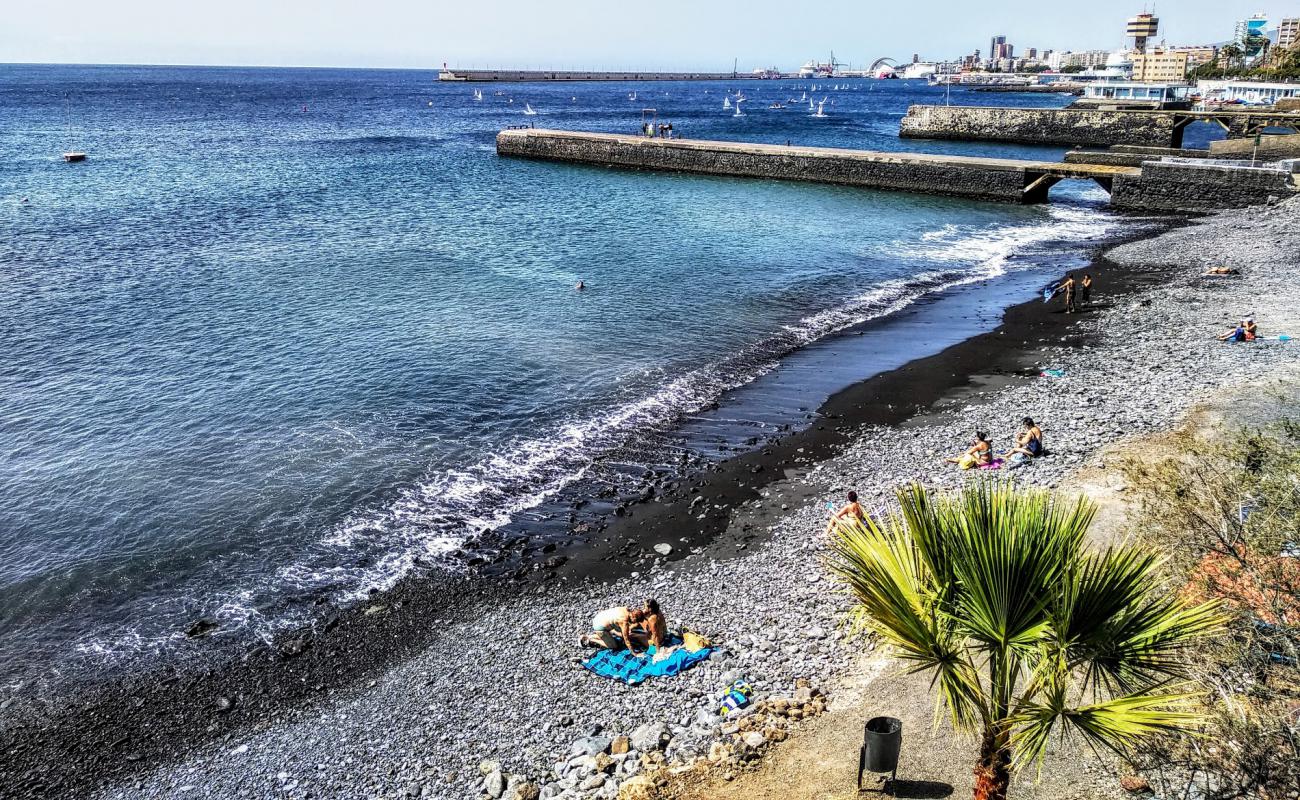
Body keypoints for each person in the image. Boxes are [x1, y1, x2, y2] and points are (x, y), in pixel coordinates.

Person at [583, 605, 647, 652]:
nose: (635, 623)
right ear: (634, 618)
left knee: (625, 632)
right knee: (614, 646)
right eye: (636, 621)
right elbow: (627, 640)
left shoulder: (626, 609)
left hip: (600, 617)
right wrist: (634, 653)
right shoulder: (624, 622)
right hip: (599, 627)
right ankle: (591, 639)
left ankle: (601, 635)